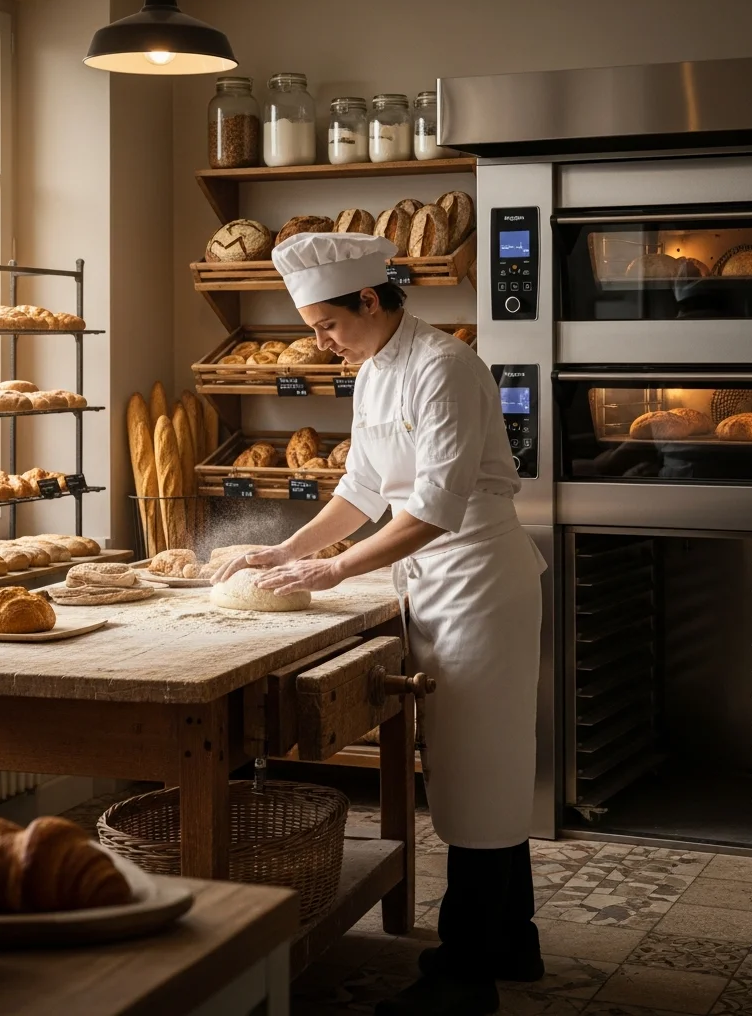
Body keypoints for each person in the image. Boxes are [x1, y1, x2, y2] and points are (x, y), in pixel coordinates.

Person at [214, 232, 545, 1016]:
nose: (321, 342)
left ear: (370, 299)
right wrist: (282, 551)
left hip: (476, 579)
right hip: (423, 577)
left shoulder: (446, 367)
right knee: (476, 768)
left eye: (327, 325)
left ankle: (467, 977)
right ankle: (511, 941)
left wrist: (331, 570)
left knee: (477, 768)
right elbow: (360, 491)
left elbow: (433, 507)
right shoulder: (371, 374)